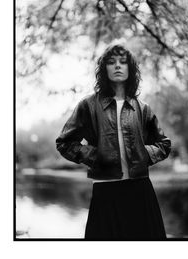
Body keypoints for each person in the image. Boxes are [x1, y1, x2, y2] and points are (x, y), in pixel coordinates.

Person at [56, 44, 171, 240]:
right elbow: (64, 142)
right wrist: (95, 156)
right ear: (104, 69)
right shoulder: (88, 105)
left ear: (130, 68)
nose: (117, 66)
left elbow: (164, 144)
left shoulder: (143, 108)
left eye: (123, 62)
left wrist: (144, 155)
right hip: (105, 189)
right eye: (111, 62)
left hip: (140, 189)